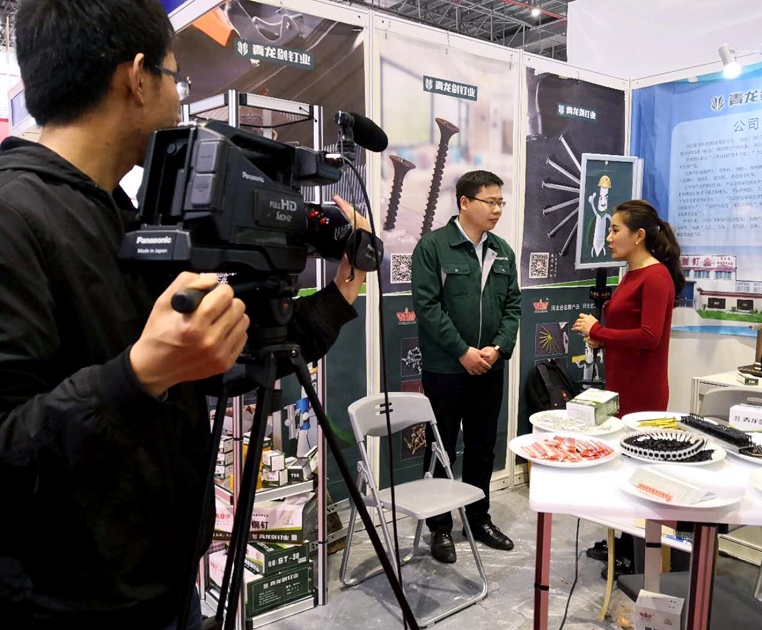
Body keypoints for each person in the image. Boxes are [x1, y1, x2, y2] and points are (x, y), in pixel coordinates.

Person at [0, 1, 368, 628]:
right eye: (176, 78)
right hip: (69, 605)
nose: (179, 99)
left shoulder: (123, 215)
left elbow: (212, 374)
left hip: (167, 582)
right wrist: (137, 376)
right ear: (137, 78)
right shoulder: (14, 217)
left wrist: (337, 298)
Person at [411, 170, 521, 564]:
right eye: (490, 202)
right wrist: (462, 352)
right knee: (440, 447)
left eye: (500, 202)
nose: (497, 209)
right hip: (446, 368)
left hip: (489, 367)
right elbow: (428, 307)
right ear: (464, 202)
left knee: (481, 446)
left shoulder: (503, 251)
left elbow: (513, 306)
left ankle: (478, 519)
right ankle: (439, 525)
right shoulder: (433, 247)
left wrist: (498, 349)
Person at [572, 199, 685, 577]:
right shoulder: (631, 274)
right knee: (624, 469)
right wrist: (601, 338)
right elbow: (628, 332)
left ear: (638, 236)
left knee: (640, 473)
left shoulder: (656, 277)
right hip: (621, 385)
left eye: (615, 229)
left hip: (643, 392)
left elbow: (650, 337)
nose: (608, 237)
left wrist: (599, 331)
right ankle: (624, 544)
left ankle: (638, 556)